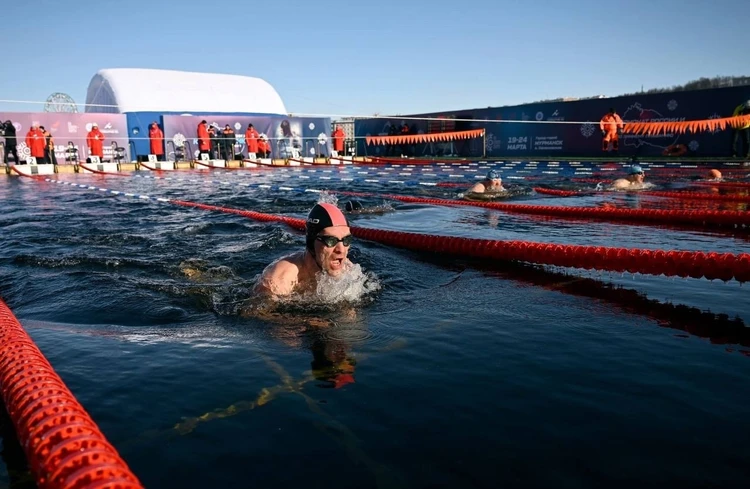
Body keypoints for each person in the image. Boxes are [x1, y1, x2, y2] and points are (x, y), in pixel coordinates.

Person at [254, 203, 354, 299]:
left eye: (347, 240)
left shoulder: (348, 269)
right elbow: (256, 313)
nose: (341, 250)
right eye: (330, 240)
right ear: (311, 243)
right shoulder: (280, 279)